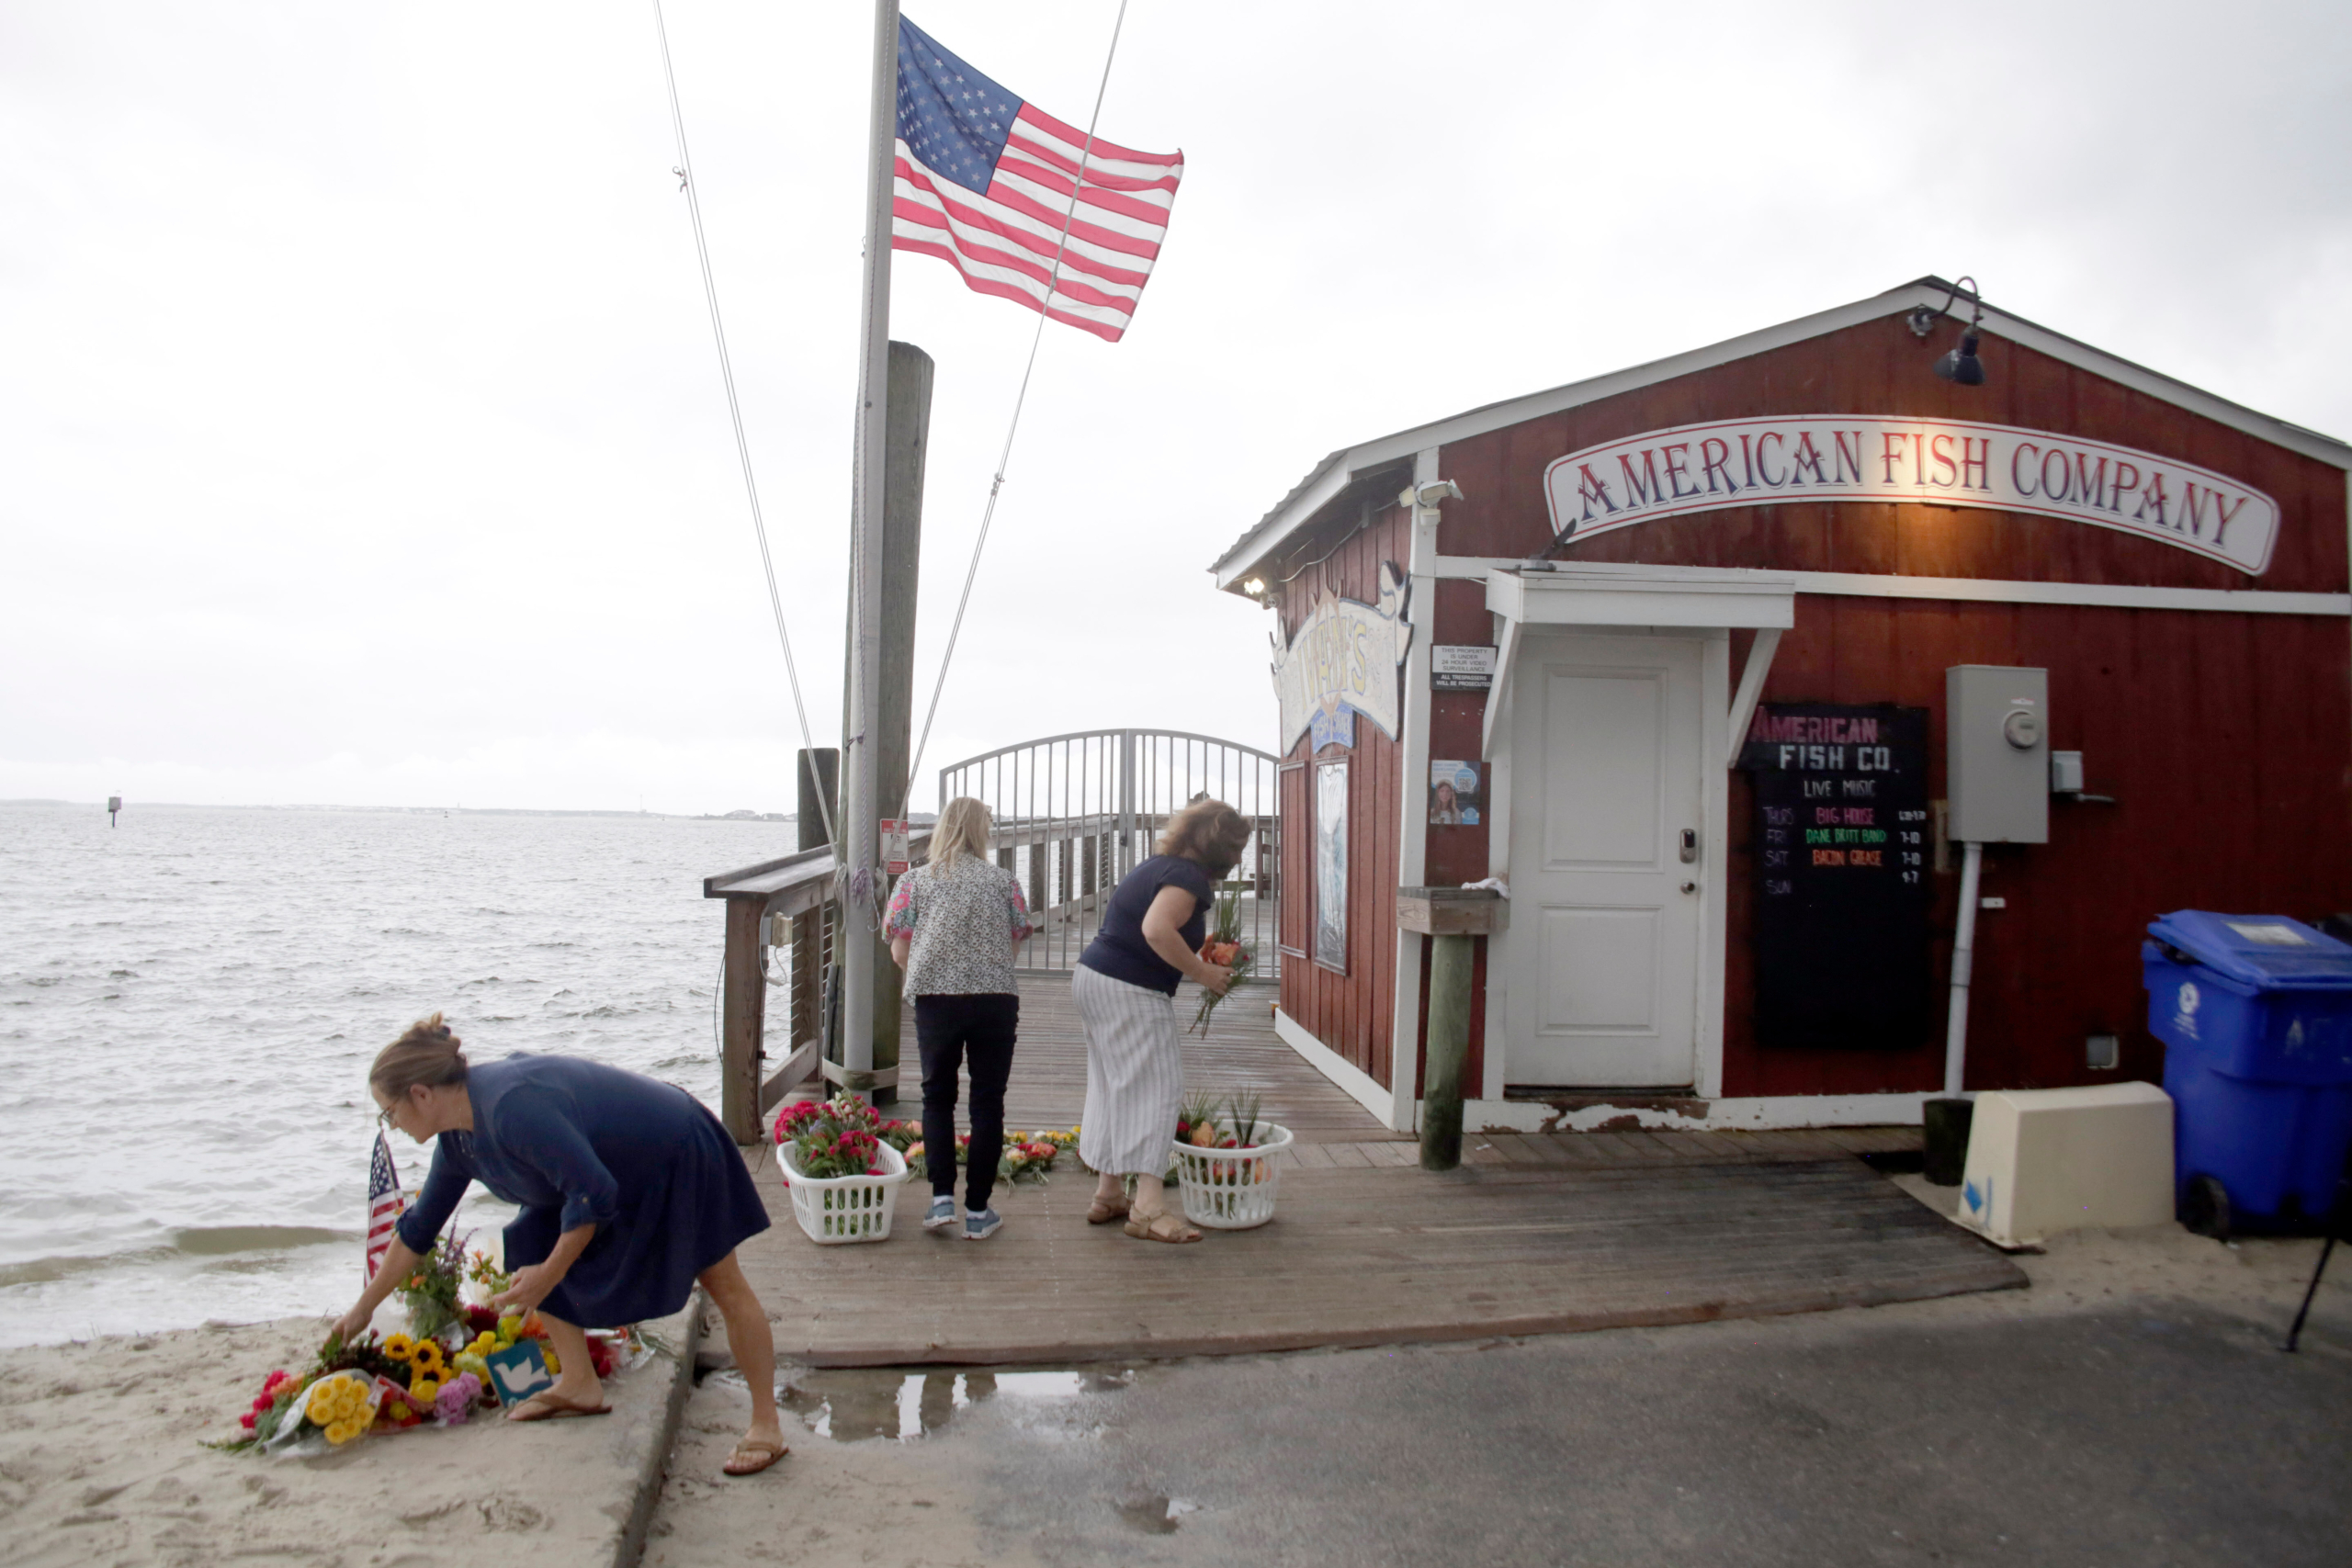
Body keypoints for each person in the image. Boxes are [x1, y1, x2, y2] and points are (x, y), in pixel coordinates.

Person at [335, 1015, 788, 1477]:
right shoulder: (457, 1142)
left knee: (724, 1285)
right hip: (610, 1169)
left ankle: (766, 1425)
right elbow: (417, 1231)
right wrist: (362, 1309)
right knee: (530, 1239)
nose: (391, 1125)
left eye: (389, 1113)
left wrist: (549, 1274)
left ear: (421, 1094)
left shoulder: (511, 1106)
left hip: (672, 1148)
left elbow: (594, 1193)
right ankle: (578, 1384)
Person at [1073, 797, 1253, 1244]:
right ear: (1219, 849)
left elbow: (1155, 926)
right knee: (1159, 1088)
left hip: (1095, 977)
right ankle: (1148, 1209)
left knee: (1114, 1085)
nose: (1238, 860)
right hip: (1130, 988)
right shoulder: (1187, 877)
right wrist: (1204, 973)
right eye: (1236, 850)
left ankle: (1109, 1192)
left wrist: (1198, 950)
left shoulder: (1161, 865)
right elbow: (1156, 930)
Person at [885, 796, 1035, 1240]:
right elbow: (1013, 944)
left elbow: (899, 949)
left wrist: (935, 969)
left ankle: (940, 1201)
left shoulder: (915, 882)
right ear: (980, 832)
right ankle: (978, 1210)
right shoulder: (1005, 882)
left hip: (936, 1001)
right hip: (995, 999)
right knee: (988, 1101)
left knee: (937, 1098)